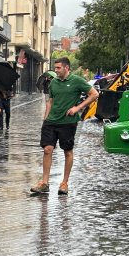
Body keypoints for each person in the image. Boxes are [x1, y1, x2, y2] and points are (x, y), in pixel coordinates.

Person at [31, 57, 98, 195]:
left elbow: (94, 94)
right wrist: (45, 118)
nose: (55, 70)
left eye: (58, 68)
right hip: (51, 121)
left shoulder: (77, 81)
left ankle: (64, 183)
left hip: (68, 122)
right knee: (47, 149)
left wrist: (77, 108)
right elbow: (50, 101)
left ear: (66, 68)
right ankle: (44, 183)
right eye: (55, 68)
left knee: (67, 151)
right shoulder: (53, 82)